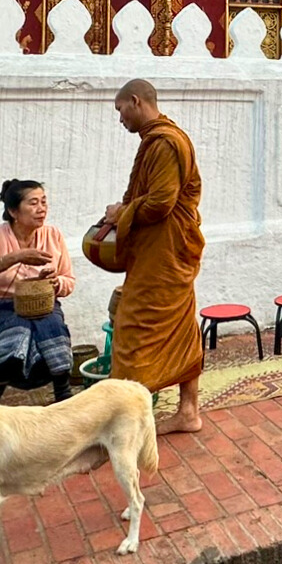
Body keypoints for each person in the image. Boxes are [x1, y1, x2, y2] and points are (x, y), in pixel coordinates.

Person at [108, 79, 207, 433]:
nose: (120, 120)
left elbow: (162, 203)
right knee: (180, 326)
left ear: (136, 102)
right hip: (164, 252)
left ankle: (127, 421)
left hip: (165, 253)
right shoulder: (156, 139)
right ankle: (188, 411)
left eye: (121, 110)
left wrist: (121, 213)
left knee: (133, 327)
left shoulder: (165, 143)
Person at [0, 179, 77, 401]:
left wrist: (54, 283)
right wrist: (15, 258)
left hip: (43, 307)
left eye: (43, 201)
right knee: (19, 332)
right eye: (33, 203)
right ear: (13, 211)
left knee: (52, 326)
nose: (41, 208)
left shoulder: (53, 235)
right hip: (1, 310)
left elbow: (68, 280)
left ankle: (63, 395)